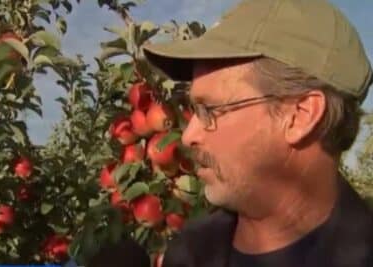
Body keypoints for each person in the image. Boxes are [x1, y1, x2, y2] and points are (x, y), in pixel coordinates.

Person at [142, 0, 373, 266]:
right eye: (193, 108)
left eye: (210, 110)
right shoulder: (189, 252)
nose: (188, 135)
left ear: (300, 116)